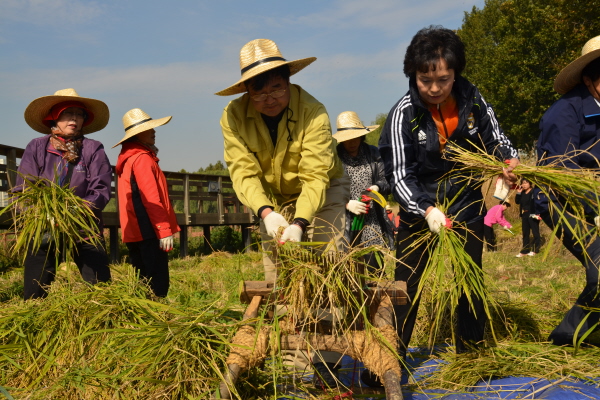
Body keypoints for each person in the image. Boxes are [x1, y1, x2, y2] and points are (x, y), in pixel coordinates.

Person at [378, 26, 519, 361]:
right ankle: (388, 359)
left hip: (465, 200)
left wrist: (508, 160)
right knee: (406, 286)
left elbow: (496, 138)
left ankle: (471, 355)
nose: (435, 88)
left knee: (469, 278)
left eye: (444, 78)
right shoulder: (404, 115)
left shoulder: (473, 100)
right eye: (426, 80)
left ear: (456, 73)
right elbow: (399, 175)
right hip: (418, 210)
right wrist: (427, 211)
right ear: (413, 74)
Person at [216, 38, 349, 387]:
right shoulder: (232, 116)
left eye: (276, 88)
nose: (269, 99)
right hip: (272, 198)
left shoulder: (313, 111)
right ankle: (294, 359)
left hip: (324, 191)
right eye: (258, 94)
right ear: (246, 91)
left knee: (328, 260)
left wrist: (301, 222)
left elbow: (316, 174)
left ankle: (328, 354)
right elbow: (242, 172)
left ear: (288, 80)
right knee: (281, 274)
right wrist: (267, 213)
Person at [18, 88, 112, 299]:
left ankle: (103, 327)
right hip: (44, 226)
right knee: (34, 293)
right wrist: (44, 214)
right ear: (54, 117)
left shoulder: (93, 149)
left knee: (102, 293)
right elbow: (24, 188)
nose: (74, 118)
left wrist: (74, 212)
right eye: (68, 113)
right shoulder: (37, 147)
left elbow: (101, 189)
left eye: (80, 114)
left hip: (84, 227)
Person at [536, 35, 600, 345]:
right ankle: (568, 338)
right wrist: (595, 209)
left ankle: (582, 333)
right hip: (560, 200)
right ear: (589, 80)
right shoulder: (563, 113)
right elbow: (562, 169)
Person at [113, 108, 180, 298]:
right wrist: (163, 229)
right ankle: (157, 318)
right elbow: (151, 198)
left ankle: (143, 319)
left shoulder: (128, 157)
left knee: (142, 278)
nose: (154, 131)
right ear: (138, 134)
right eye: (149, 128)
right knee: (157, 282)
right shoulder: (142, 158)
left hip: (135, 228)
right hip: (148, 227)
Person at [333, 111, 394, 269]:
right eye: (348, 139)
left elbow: (387, 180)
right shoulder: (334, 158)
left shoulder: (373, 154)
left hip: (371, 219)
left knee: (374, 268)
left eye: (356, 137)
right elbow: (327, 189)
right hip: (344, 221)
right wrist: (346, 204)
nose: (352, 142)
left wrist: (377, 187)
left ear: (362, 136)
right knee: (348, 267)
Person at [515, 179, 541, 257]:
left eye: (526, 183)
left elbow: (537, 202)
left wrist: (538, 213)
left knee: (535, 232)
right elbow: (517, 201)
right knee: (525, 233)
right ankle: (525, 251)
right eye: (523, 183)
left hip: (533, 214)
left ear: (530, 184)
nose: (524, 185)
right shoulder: (522, 193)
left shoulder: (534, 192)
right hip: (525, 214)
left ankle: (535, 250)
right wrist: (518, 193)